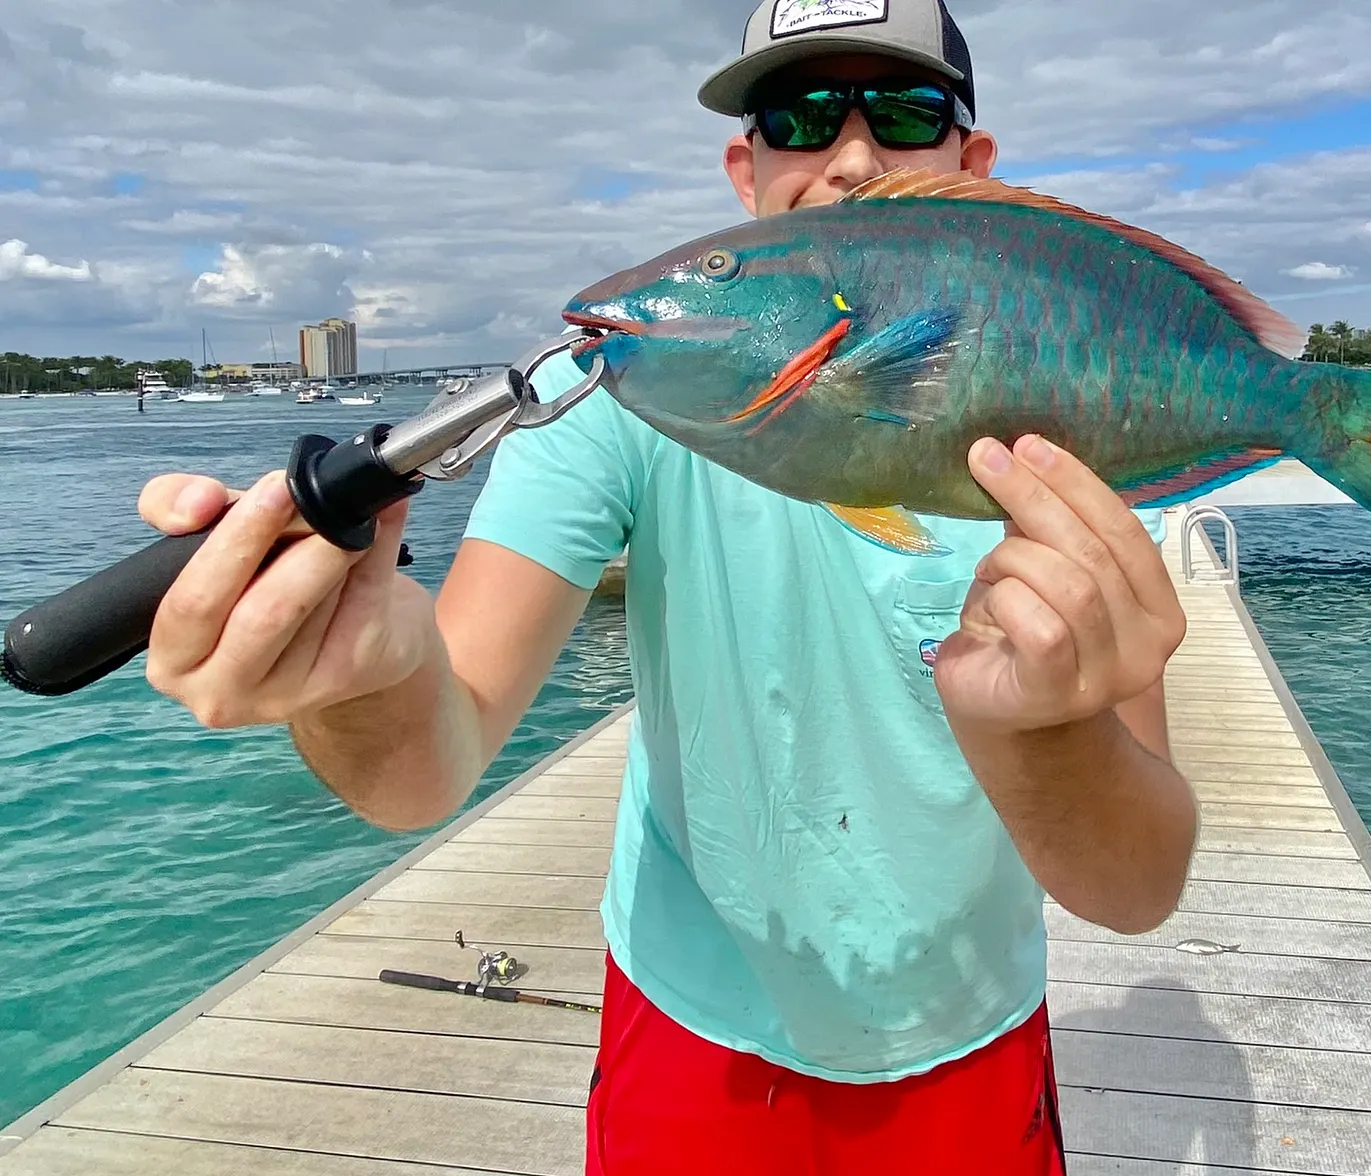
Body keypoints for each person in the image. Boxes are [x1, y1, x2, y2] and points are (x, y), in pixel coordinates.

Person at [136, 2, 1198, 1171]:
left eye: (902, 113)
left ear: (973, 168)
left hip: (970, 1033)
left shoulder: (1063, 416)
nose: (850, 156)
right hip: (688, 1031)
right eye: (800, 116)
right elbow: (428, 762)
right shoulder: (617, 401)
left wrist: (1048, 737)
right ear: (746, 170)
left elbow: (1138, 885)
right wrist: (362, 674)